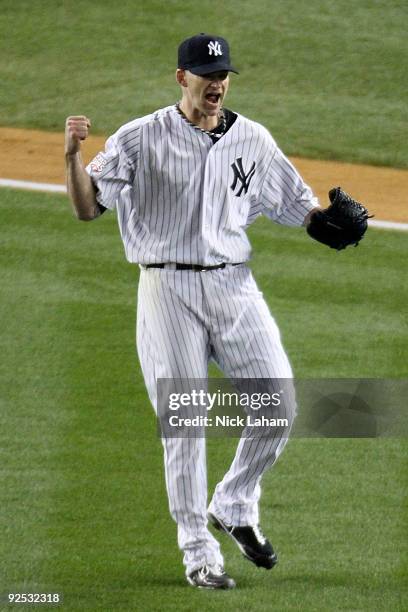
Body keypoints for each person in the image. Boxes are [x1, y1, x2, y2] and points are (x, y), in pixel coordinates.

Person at [64, 33, 325, 590]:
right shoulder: (141, 137)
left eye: (223, 73)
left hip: (234, 287)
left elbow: (299, 204)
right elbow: (89, 208)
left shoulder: (251, 138)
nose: (217, 83)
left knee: (277, 404)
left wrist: (326, 223)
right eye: (206, 74)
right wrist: (72, 158)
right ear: (182, 77)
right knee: (184, 423)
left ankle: (233, 502)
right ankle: (199, 554)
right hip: (167, 291)